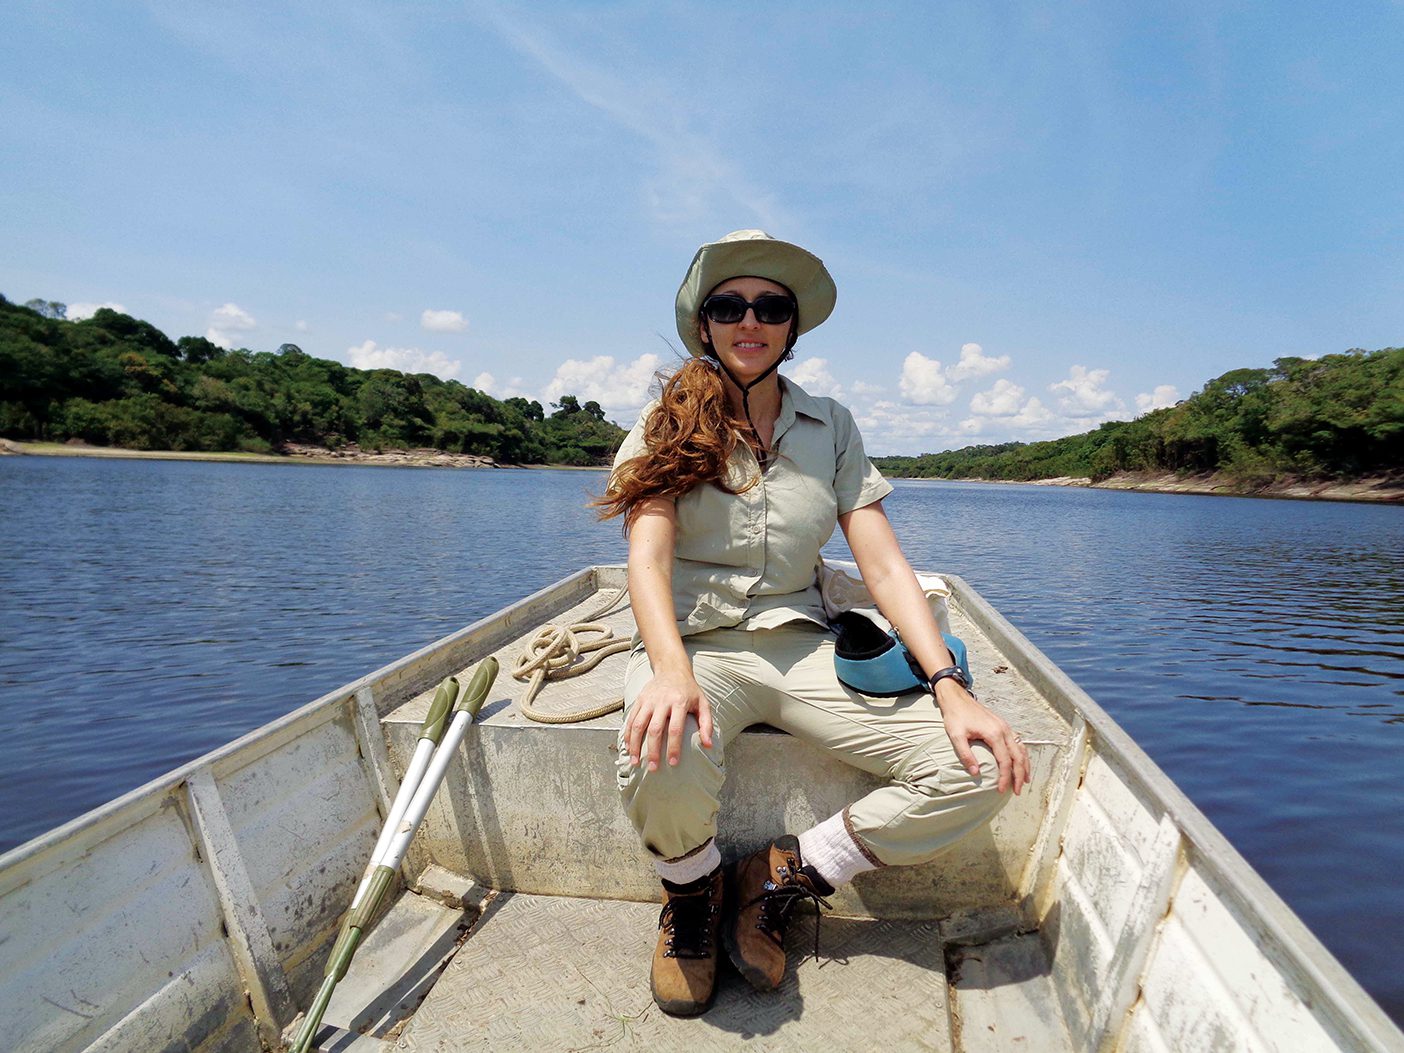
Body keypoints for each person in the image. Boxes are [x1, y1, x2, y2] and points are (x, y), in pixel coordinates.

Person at [595, 230, 1031, 1017]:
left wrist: (950, 686)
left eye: (771, 307)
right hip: (695, 646)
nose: (750, 320)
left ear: (792, 328)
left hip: (801, 645)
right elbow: (647, 561)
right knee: (659, 744)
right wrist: (668, 669)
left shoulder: (830, 425)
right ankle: (692, 893)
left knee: (981, 766)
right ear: (706, 325)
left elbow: (887, 567)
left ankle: (780, 874)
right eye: (730, 306)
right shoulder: (666, 423)